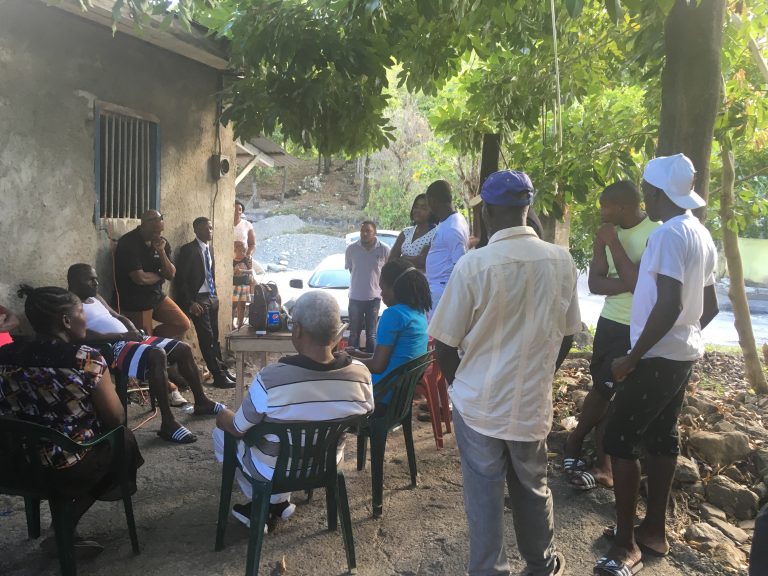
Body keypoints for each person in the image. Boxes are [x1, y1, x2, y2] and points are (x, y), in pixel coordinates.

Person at [430, 170, 579, 576]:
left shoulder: (474, 266)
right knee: (532, 489)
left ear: (489, 214)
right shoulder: (562, 261)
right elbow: (568, 335)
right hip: (530, 403)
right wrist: (542, 373)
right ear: (526, 209)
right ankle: (541, 565)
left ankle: (488, 571)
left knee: (484, 496)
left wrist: (462, 385)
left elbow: (444, 342)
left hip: (479, 403)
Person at [596, 154, 719, 576]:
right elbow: (710, 305)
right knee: (662, 439)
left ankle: (626, 545)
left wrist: (633, 357)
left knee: (619, 438)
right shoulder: (700, 232)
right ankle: (654, 530)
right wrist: (685, 335)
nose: (645, 195)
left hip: (656, 356)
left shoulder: (668, 235)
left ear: (653, 192)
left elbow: (668, 303)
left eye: (647, 189)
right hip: (681, 353)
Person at [0, 285, 144, 558]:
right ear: (66, 321)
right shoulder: (84, 359)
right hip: (63, 467)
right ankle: (65, 524)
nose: (85, 319)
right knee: (123, 441)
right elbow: (115, 418)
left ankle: (60, 525)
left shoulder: (4, 354)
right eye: (81, 313)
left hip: (13, 464)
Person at [213, 291, 373, 532]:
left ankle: (263, 503)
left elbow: (238, 428)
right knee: (287, 438)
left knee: (222, 431)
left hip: (276, 470)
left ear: (297, 331)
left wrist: (222, 414)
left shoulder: (271, 379)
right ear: (337, 332)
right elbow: (361, 419)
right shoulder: (361, 375)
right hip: (325, 464)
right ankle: (278, 503)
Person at [564, 181, 659, 491]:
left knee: (607, 389)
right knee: (603, 388)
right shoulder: (607, 232)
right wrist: (629, 278)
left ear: (621, 206)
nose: (602, 213)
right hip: (609, 321)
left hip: (636, 325)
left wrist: (616, 248)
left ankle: (578, 442)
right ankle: (601, 462)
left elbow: (643, 285)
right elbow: (595, 282)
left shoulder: (654, 233)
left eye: (605, 207)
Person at [68, 264, 225, 444]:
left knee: (183, 349)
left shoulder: (95, 297)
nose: (96, 283)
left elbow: (118, 317)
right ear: (73, 281)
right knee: (157, 354)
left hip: (130, 339)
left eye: (96, 278)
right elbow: (82, 335)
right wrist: (123, 335)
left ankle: (201, 402)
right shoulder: (71, 303)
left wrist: (134, 331)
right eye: (91, 279)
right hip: (113, 347)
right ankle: (168, 423)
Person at [348, 258, 431, 415]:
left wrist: (346, 361)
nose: (381, 293)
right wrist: (358, 354)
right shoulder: (418, 312)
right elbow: (394, 357)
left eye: (383, 288)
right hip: (399, 396)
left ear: (396, 288)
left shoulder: (393, 314)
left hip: (380, 395)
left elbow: (378, 366)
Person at [175, 217, 236, 389]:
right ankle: (217, 375)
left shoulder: (210, 249)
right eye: (205, 229)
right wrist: (190, 303)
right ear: (196, 231)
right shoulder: (189, 250)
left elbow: (210, 274)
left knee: (214, 338)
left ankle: (222, 371)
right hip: (198, 299)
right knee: (206, 338)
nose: (209, 231)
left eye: (210, 228)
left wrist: (215, 295)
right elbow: (181, 280)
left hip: (211, 297)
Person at [113, 209, 190, 339]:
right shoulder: (128, 243)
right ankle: (152, 341)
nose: (158, 234)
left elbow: (170, 274)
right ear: (143, 225)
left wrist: (161, 252)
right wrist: (160, 276)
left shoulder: (162, 243)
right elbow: (140, 278)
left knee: (182, 323)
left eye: (160, 231)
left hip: (156, 296)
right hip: (135, 300)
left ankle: (156, 337)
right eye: (154, 231)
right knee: (145, 341)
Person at [345, 220, 390, 352]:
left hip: (374, 297)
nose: (364, 234)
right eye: (362, 231)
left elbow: (387, 272)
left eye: (368, 231)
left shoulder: (384, 249)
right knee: (354, 334)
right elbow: (351, 269)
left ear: (375, 233)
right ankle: (350, 364)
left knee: (371, 334)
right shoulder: (351, 249)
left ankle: (371, 364)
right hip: (355, 297)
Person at [424, 180, 469, 312]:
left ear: (432, 201)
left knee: (436, 332)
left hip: (443, 290)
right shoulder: (449, 221)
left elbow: (460, 264)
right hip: (438, 288)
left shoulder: (452, 227)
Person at [388, 194, 438, 271]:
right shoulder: (406, 232)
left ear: (432, 211)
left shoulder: (436, 233)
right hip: (401, 280)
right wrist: (412, 259)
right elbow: (391, 260)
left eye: (423, 208)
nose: (418, 210)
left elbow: (421, 261)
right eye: (416, 207)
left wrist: (402, 258)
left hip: (423, 281)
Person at [232, 240, 253, 329]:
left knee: (242, 305)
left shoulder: (246, 260)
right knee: (234, 305)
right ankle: (232, 323)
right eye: (239, 250)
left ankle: (240, 324)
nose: (242, 253)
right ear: (235, 250)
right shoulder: (232, 261)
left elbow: (251, 271)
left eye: (243, 251)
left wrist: (242, 271)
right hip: (235, 285)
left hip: (244, 285)